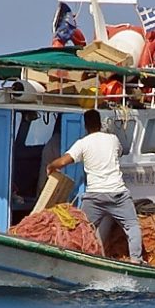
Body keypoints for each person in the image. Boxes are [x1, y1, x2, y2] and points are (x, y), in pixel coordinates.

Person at [45, 109, 144, 263]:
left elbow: (64, 161)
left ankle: (79, 259)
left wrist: (51, 166)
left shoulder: (83, 144)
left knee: (83, 228)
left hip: (95, 197)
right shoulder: (113, 139)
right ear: (100, 123)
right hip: (118, 194)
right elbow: (119, 152)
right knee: (132, 226)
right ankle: (136, 260)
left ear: (85, 126)